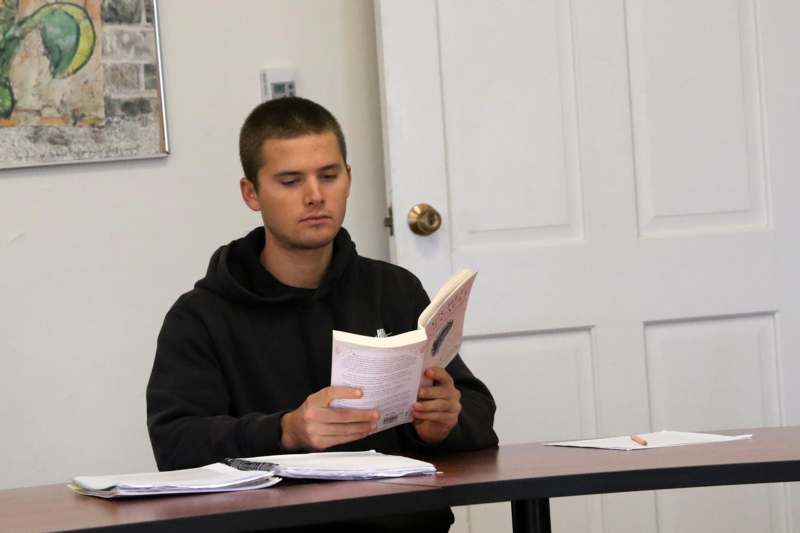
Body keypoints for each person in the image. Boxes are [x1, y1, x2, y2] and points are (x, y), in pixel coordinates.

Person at [146, 96, 498, 532]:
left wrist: (445, 423)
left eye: (328, 176)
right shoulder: (199, 317)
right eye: (291, 181)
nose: (315, 196)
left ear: (348, 179)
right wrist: (286, 432)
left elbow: (479, 417)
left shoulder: (394, 289)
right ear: (251, 193)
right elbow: (176, 447)